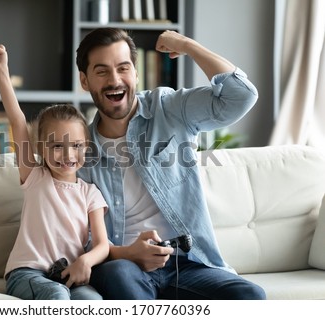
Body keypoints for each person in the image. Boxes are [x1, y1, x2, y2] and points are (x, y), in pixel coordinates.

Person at [76, 28, 267, 299]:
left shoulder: (169, 108)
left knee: (250, 296)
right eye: (102, 71)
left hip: (187, 264)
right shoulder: (80, 152)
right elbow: (82, 240)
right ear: (85, 81)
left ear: (136, 73)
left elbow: (241, 96)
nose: (115, 80)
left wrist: (187, 45)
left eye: (123, 68)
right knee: (118, 273)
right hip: (125, 267)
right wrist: (130, 253)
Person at [0, 44, 109, 300]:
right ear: (40, 148)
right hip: (27, 273)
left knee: (93, 301)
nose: (67, 155)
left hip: (69, 274)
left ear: (86, 148)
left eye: (76, 146)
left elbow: (102, 245)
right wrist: (1, 71)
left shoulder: (91, 193)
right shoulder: (34, 176)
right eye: (56, 146)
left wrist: (85, 261)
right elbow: (18, 121)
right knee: (56, 296)